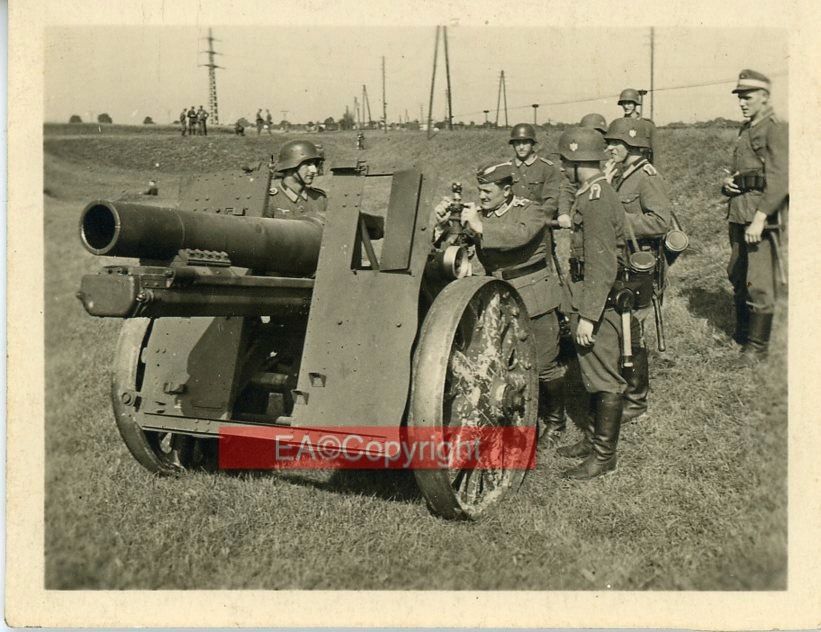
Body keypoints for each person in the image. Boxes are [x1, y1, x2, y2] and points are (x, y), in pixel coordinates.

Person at [433, 161, 567, 447]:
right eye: (479, 190)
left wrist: (480, 226)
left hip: (533, 296)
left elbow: (517, 236)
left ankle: (556, 421)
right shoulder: (483, 214)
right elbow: (453, 243)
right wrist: (444, 221)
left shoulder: (530, 210)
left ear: (506, 190)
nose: (481, 196)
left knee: (544, 365)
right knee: (504, 362)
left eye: (487, 190)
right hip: (498, 296)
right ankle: (516, 413)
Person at [555, 126, 637, 480]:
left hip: (598, 299)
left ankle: (605, 457)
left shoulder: (597, 199)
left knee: (604, 377)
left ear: (576, 163)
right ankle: (592, 441)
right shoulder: (591, 192)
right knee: (591, 371)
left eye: (564, 162)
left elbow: (603, 264)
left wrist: (589, 316)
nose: (561, 168)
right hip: (588, 292)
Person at [605, 117, 672, 421]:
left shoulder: (646, 176)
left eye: (616, 143)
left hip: (640, 263)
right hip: (621, 260)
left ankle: (636, 400)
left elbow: (660, 222)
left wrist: (622, 223)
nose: (610, 148)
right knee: (622, 325)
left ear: (633, 146)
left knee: (633, 329)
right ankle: (625, 388)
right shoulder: (619, 174)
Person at [721, 69, 788, 357]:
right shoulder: (745, 129)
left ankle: (757, 349)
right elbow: (742, 171)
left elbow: (782, 177)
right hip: (739, 214)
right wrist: (727, 184)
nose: (742, 103)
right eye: (740, 98)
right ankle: (743, 333)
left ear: (764, 96)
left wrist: (760, 218)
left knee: (759, 282)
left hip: (760, 218)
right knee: (737, 273)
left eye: (747, 97)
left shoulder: (775, 127)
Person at [508, 123, 574, 229]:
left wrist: (536, 217)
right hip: (513, 225)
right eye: (517, 143)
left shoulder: (547, 168)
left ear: (532, 143)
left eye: (525, 142)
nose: (521, 147)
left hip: (539, 224)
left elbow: (552, 199)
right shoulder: (507, 168)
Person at [266, 140, 328, 221]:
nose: (314, 170)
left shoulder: (320, 198)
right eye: (308, 164)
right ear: (292, 165)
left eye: (314, 164)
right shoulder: (270, 200)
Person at [617, 89, 657, 163]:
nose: (626, 106)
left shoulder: (647, 125)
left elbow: (656, 151)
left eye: (629, 103)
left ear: (635, 104)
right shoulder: (619, 126)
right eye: (624, 103)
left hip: (643, 165)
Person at [579, 113, 617, 182]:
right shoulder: (578, 156)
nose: (593, 137)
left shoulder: (614, 157)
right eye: (588, 134)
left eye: (598, 133)